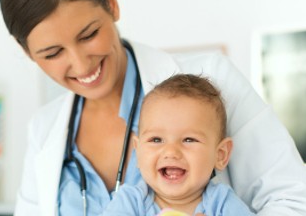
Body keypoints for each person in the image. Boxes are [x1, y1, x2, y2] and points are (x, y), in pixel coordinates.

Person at [0, 0, 306, 215]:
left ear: (111, 4)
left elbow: (297, 202)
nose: (82, 64)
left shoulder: (212, 80)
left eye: (88, 35)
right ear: (25, 51)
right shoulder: (43, 130)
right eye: (53, 53)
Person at [103, 74, 254, 215]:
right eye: (156, 139)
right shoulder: (129, 202)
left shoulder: (222, 202)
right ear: (138, 150)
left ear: (220, 155)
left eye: (189, 139)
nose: (171, 151)